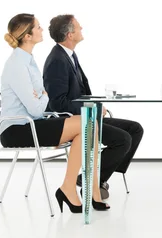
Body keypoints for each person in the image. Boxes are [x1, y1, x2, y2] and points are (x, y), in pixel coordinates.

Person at [0, 13, 109, 213]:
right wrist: (43, 96)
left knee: (87, 125)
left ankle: (78, 188)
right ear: (27, 36)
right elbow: (37, 106)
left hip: (34, 123)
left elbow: (40, 101)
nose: (42, 30)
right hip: (18, 129)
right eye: (38, 27)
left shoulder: (28, 61)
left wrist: (41, 96)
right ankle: (71, 189)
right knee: (87, 123)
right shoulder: (17, 65)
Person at [43, 14, 144, 200]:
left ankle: (100, 178)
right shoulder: (57, 60)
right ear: (69, 34)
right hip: (71, 122)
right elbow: (58, 103)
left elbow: (79, 93)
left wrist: (96, 104)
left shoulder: (70, 56)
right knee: (123, 139)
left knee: (135, 129)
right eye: (79, 27)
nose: (82, 29)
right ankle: (94, 180)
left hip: (86, 117)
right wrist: (92, 109)